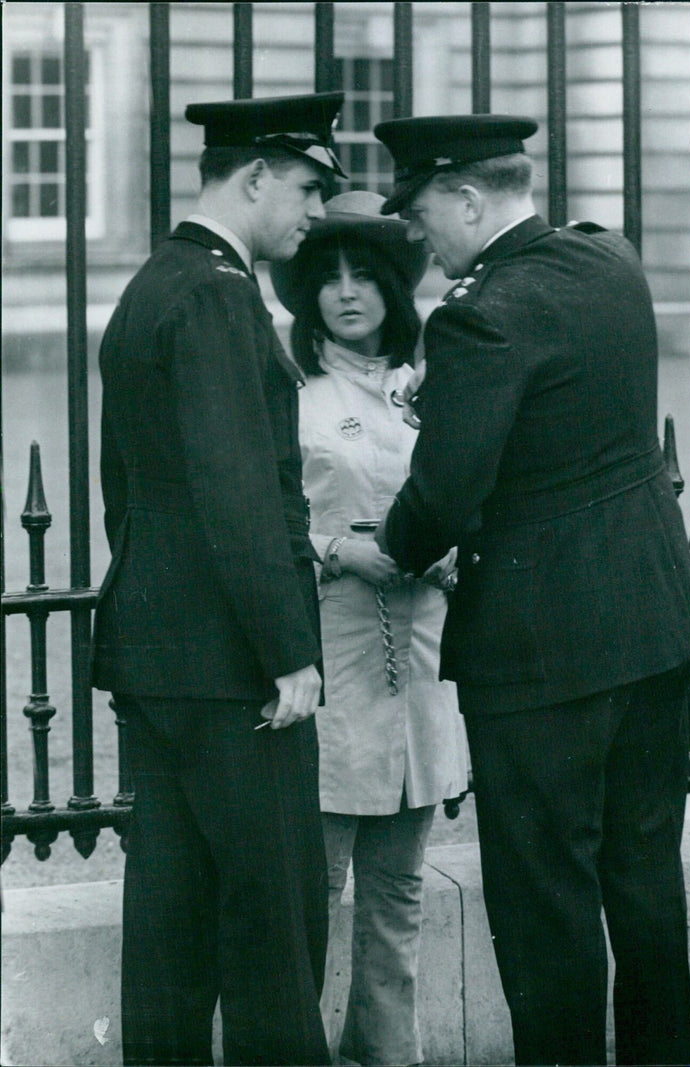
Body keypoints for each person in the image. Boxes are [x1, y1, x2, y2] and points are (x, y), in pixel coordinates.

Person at [372, 114, 690, 1066]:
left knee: (544, 905)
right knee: (646, 882)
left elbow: (442, 497)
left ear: (471, 199)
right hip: (654, 623)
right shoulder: (611, 261)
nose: (422, 240)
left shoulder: (480, 314)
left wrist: (386, 545)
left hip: (542, 654)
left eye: (425, 214)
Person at [91, 92, 346, 1067]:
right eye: (307, 187)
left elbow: (130, 497)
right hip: (237, 671)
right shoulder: (216, 293)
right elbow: (236, 490)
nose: (314, 212)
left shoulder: (154, 284)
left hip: (159, 658)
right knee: (275, 936)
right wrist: (288, 652)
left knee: (168, 933)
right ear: (252, 179)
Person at [270, 190, 469, 1067]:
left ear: (394, 284)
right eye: (329, 278)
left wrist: (452, 548)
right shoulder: (293, 393)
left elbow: (474, 487)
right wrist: (337, 552)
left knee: (399, 898)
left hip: (421, 666)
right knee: (313, 893)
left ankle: (389, 1055)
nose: (346, 293)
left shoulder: (432, 384)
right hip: (332, 662)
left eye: (365, 275)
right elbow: (255, 517)